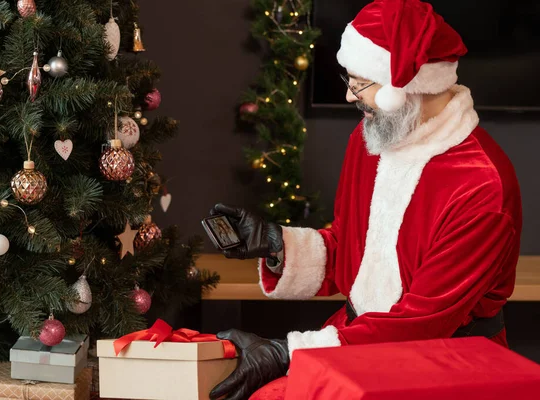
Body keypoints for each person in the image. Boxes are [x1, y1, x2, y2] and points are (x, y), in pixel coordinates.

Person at [208, 1, 523, 399]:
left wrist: (285, 352)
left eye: (360, 83)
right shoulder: (372, 140)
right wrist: (276, 245)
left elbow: (424, 322)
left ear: (404, 86)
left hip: (445, 363)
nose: (347, 95)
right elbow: (352, 252)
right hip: (361, 342)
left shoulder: (481, 184)